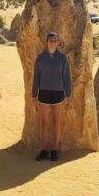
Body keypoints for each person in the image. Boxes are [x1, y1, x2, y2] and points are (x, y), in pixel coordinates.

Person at [31, 31, 72, 161]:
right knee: (44, 123)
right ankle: (44, 150)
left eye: (55, 40)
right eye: (50, 40)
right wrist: (33, 94)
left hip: (58, 93)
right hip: (43, 92)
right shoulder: (40, 58)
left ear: (58, 42)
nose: (53, 42)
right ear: (47, 42)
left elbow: (66, 77)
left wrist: (68, 93)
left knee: (57, 122)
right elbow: (36, 76)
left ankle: (54, 150)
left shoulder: (62, 58)